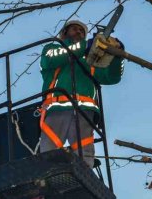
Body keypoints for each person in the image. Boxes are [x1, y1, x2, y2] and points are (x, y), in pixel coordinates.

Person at [39, 19, 124, 167]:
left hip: (85, 112)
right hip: (57, 109)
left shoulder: (90, 62)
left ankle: (85, 176)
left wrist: (117, 55)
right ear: (64, 33)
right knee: (49, 151)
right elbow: (51, 60)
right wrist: (86, 45)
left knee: (85, 153)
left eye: (81, 31)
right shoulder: (52, 49)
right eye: (74, 29)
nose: (78, 32)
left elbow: (112, 77)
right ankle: (48, 176)